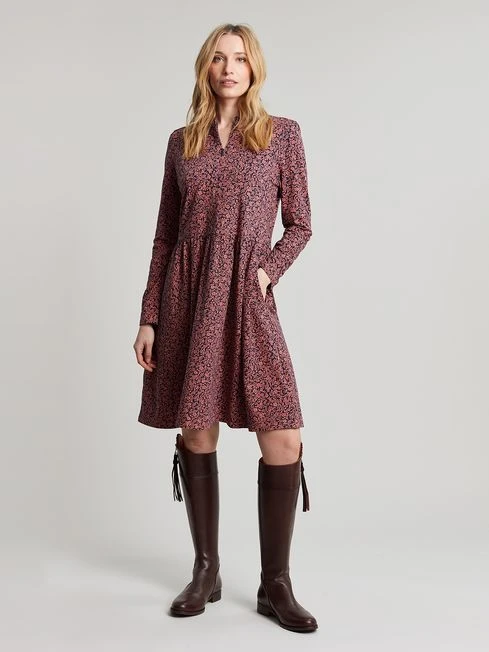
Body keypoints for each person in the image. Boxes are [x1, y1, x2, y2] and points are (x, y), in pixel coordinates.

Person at [133, 23, 317, 633]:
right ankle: (206, 570)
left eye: (240, 57)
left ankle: (275, 583)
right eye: (219, 57)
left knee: (282, 436)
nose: (229, 67)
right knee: (196, 428)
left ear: (254, 67)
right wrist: (150, 315)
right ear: (205, 68)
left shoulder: (281, 135)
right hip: (188, 298)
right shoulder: (181, 142)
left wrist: (266, 273)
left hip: (247, 296)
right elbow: (165, 236)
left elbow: (301, 224)